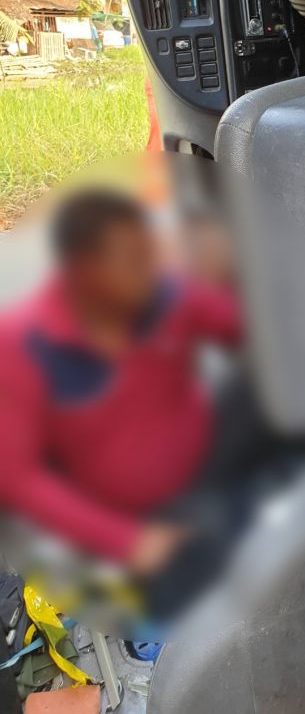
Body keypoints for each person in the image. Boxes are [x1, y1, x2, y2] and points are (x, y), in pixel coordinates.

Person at [0, 189, 242, 580]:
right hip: (110, 523)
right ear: (83, 271)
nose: (150, 271)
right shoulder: (22, 344)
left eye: (148, 254)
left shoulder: (169, 298)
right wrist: (127, 542)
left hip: (202, 472)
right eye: (132, 261)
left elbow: (246, 327)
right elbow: (17, 476)